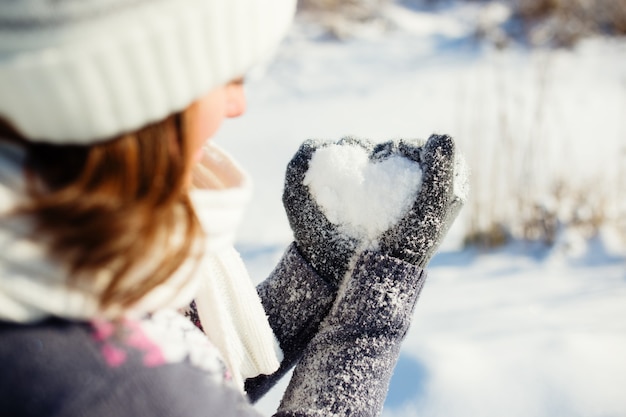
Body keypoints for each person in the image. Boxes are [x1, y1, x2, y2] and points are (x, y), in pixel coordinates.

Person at [0, 1, 466, 416]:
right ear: (130, 88)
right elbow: (179, 388)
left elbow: (195, 363)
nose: (237, 104)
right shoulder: (125, 391)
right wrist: (380, 294)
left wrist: (316, 275)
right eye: (225, 74)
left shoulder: (51, 258)